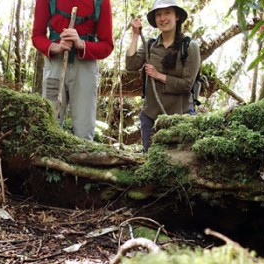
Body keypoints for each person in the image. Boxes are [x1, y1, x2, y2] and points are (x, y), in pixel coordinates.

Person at [32, 0, 114, 141]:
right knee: (50, 126)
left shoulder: (101, 2)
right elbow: (37, 35)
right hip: (55, 66)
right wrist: (55, 47)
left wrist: (81, 44)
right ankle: (48, 162)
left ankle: (84, 160)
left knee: (84, 131)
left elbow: (107, 45)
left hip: (85, 67)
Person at [125, 0, 200, 152]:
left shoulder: (190, 47)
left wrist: (158, 75)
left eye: (167, 13)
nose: (162, 18)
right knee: (151, 162)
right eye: (158, 14)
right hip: (150, 117)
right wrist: (135, 36)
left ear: (177, 16)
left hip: (180, 117)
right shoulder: (151, 45)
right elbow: (131, 65)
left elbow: (187, 85)